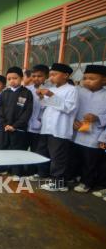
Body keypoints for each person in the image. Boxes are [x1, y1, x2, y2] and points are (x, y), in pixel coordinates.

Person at [36, 63, 78, 192]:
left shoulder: (72, 89)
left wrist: (50, 94)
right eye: (51, 75)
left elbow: (69, 108)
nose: (51, 77)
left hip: (60, 129)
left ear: (65, 75)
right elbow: (47, 105)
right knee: (49, 155)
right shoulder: (54, 88)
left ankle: (59, 183)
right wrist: (42, 97)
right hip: (48, 128)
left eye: (54, 74)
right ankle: (51, 178)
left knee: (58, 158)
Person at [71, 65, 106, 193]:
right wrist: (72, 121)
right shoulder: (77, 91)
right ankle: (75, 176)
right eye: (85, 78)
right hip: (77, 132)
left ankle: (86, 183)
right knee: (75, 157)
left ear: (104, 80)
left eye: (92, 78)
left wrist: (98, 117)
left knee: (90, 161)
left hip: (95, 135)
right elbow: (71, 109)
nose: (87, 81)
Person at [0, 67, 33, 181]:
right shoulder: (4, 93)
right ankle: (3, 168)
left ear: (21, 78)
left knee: (17, 150)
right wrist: (3, 124)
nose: (12, 81)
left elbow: (27, 112)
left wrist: (15, 126)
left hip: (18, 129)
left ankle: (17, 173)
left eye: (15, 78)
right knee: (4, 148)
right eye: (9, 78)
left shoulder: (26, 93)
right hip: (5, 128)